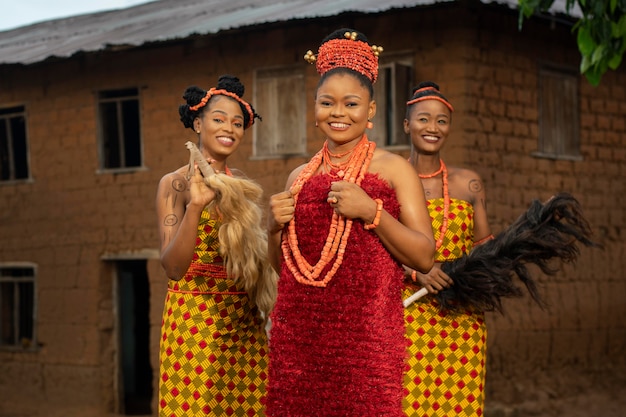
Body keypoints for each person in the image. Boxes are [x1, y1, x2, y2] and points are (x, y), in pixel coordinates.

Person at [265, 29, 436, 417]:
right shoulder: (298, 178)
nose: (338, 113)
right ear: (314, 109)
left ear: (371, 111)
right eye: (327, 102)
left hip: (365, 345)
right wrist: (272, 228)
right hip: (299, 344)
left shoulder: (393, 170)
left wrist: (371, 212)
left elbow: (424, 257)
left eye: (351, 103)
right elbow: (286, 269)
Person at [155, 75, 276, 417]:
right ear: (197, 122)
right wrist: (195, 206)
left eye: (237, 123)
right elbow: (174, 268)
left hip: (244, 320)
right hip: (195, 321)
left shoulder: (242, 188)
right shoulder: (174, 184)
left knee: (247, 407)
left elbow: (258, 260)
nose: (230, 128)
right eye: (219, 119)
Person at [402, 81, 494, 416]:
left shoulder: (468, 184)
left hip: (461, 315)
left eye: (441, 121)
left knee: (457, 406)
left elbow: (484, 247)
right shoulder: (389, 179)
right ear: (406, 124)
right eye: (424, 119)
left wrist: (489, 267)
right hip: (405, 315)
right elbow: (374, 247)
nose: (433, 128)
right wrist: (416, 270)